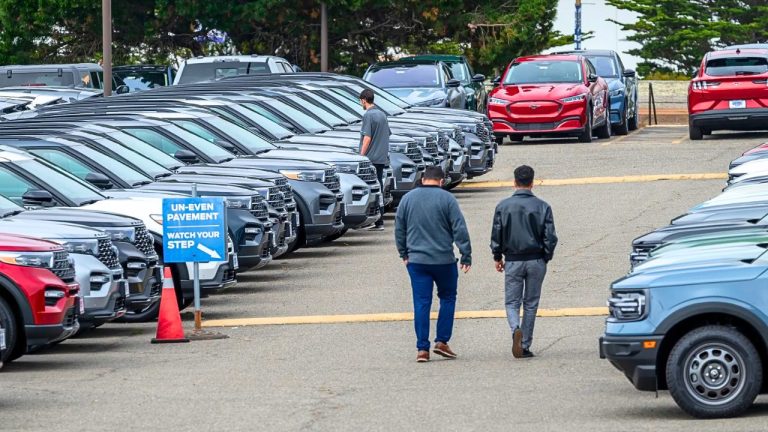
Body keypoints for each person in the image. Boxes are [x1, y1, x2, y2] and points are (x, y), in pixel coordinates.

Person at [395, 166, 472, 363]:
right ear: (441, 181)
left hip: (417, 261)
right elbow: (459, 228)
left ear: (422, 179)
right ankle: (442, 341)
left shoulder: (407, 199)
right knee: (448, 298)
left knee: (421, 303)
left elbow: (399, 229)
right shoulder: (447, 199)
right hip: (443, 260)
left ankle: (422, 349)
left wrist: (403, 253)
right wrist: (466, 254)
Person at [490, 165, 557, 359]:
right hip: (536, 258)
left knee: (512, 301)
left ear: (514, 182)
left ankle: (515, 329)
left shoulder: (503, 206)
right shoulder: (542, 206)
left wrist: (497, 256)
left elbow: (497, 233)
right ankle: (525, 343)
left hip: (513, 259)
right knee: (531, 303)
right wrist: (546, 256)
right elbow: (550, 237)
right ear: (532, 182)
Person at [359, 88, 390, 231]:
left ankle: (377, 220)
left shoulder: (368, 116)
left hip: (370, 158)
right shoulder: (382, 114)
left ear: (364, 100)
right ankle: (380, 221)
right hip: (381, 157)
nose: (361, 103)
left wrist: (361, 156)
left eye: (361, 101)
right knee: (379, 188)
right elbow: (387, 134)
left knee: (371, 189)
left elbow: (367, 138)